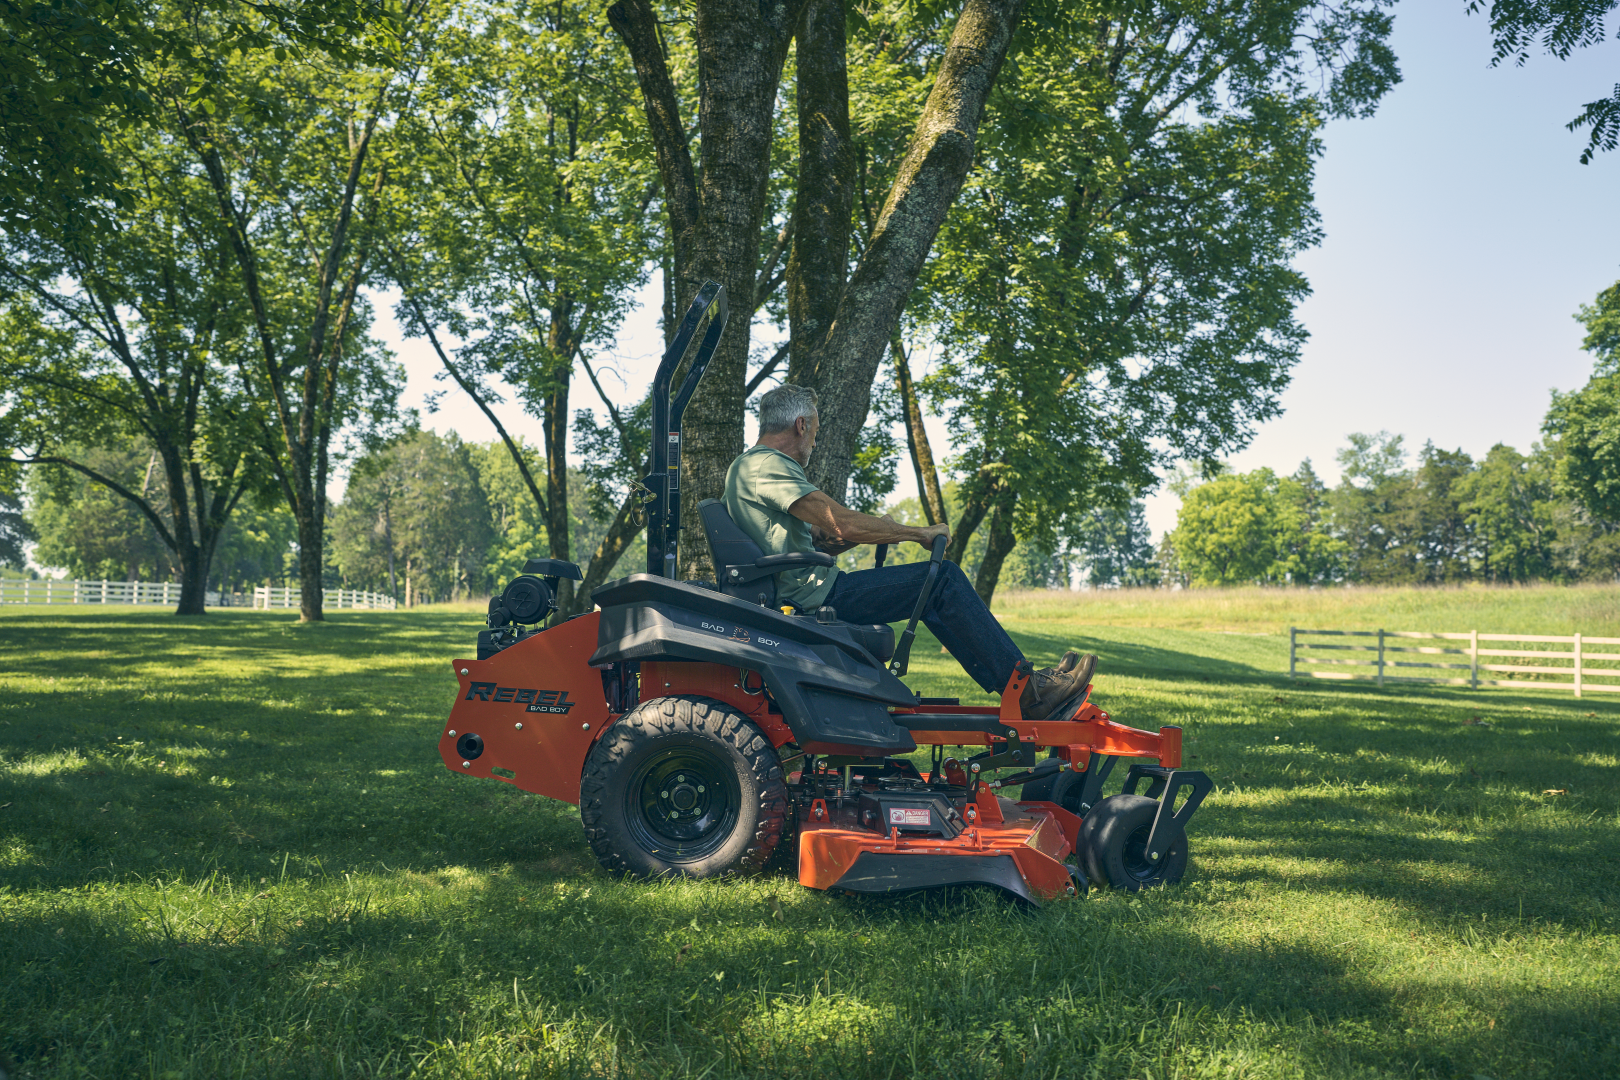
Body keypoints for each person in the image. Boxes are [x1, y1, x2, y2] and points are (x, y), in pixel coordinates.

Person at [722, 383, 1096, 722]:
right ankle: (1029, 694)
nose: (815, 444)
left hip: (806, 589)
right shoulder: (767, 465)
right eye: (816, 433)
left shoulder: (753, 468)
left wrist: (877, 530)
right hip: (813, 596)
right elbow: (840, 522)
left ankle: (1023, 688)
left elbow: (823, 537)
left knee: (934, 589)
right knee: (942, 581)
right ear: (801, 426)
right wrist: (916, 533)